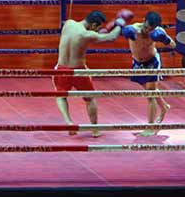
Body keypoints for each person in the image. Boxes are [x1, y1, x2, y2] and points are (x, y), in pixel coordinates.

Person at [53, 9, 133, 137]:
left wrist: (105, 29)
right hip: (78, 71)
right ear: (93, 25)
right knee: (90, 99)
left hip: (61, 68)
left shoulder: (68, 23)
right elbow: (111, 37)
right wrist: (120, 23)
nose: (96, 30)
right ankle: (95, 130)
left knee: (61, 96)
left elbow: (93, 34)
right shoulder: (87, 35)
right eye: (97, 28)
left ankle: (68, 123)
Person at [121, 11, 176, 136]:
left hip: (152, 62)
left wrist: (165, 38)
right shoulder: (133, 30)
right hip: (137, 63)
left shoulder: (158, 32)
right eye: (146, 27)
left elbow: (173, 45)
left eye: (151, 29)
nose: (147, 30)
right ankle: (164, 106)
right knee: (149, 91)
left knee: (150, 94)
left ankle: (150, 127)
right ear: (143, 20)